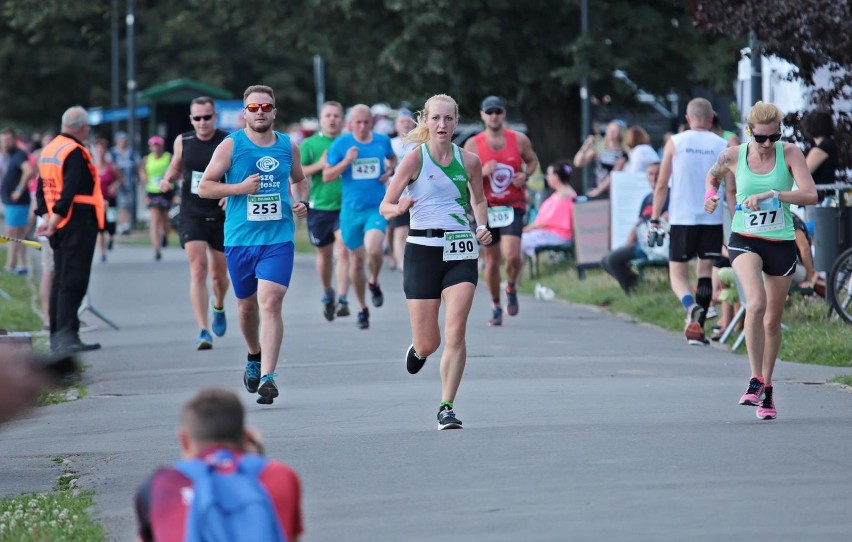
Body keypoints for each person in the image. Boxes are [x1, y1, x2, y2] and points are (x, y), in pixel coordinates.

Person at [379, 93, 492, 429]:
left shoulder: (469, 161)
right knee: (431, 341)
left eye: (448, 119)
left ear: (456, 122)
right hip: (422, 252)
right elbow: (386, 204)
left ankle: (446, 406)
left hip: (460, 251)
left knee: (456, 329)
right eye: (436, 118)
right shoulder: (415, 159)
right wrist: (397, 208)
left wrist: (482, 227)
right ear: (425, 122)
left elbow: (480, 200)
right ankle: (419, 349)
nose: (442, 125)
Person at [704, 101, 817, 419]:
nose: (768, 144)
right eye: (762, 138)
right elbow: (712, 178)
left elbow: (811, 195)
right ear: (749, 132)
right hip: (744, 239)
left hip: (780, 242)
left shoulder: (790, 152)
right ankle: (754, 379)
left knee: (771, 321)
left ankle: (768, 388)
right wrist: (709, 198)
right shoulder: (733, 155)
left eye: (774, 137)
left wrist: (775, 194)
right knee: (755, 304)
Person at [198, 84, 308, 405]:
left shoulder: (288, 146)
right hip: (240, 240)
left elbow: (299, 180)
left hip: (278, 240)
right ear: (245, 113)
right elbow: (205, 187)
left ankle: (269, 377)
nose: (260, 113)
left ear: (274, 111)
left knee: (270, 302)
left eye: (266, 107)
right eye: (254, 108)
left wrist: (302, 203)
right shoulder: (231, 146)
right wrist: (240, 188)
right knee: (246, 309)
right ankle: (253, 354)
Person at [134, 388, 303, 541]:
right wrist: (260, 457)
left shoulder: (157, 486)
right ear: (247, 437)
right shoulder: (280, 475)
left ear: (184, 440)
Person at [650, 97, 731, 345]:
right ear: (711, 118)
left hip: (682, 217)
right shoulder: (723, 144)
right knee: (705, 272)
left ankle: (690, 307)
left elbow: (662, 183)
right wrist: (736, 218)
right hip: (712, 216)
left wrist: (654, 218)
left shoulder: (675, 142)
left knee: (677, 275)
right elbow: (730, 189)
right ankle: (699, 327)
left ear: (687, 118)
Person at [160, 96, 231, 350]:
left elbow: (239, 170)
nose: (202, 122)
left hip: (221, 214)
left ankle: (219, 305)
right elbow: (175, 165)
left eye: (207, 117)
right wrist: (167, 179)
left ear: (215, 117)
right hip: (192, 213)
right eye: (197, 118)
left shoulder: (227, 140)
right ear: (191, 119)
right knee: (198, 269)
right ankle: (203, 330)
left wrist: (228, 193)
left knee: (219, 276)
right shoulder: (183, 141)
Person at [463, 96, 538, 326]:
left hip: (512, 205)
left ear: (504, 114)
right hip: (486, 208)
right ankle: (496, 304)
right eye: (489, 112)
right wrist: (482, 172)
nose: (494, 115)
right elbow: (464, 177)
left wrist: (525, 175)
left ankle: (512, 286)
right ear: (482, 115)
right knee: (492, 261)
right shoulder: (473, 144)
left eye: (498, 111)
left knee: (513, 255)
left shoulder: (519, 139)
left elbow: (532, 161)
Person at [35, 106, 105, 353]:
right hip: (77, 222)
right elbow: (70, 189)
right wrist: (55, 220)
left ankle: (59, 334)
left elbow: (41, 188)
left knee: (60, 279)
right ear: (82, 127)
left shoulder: (51, 149)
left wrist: (46, 217)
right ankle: (67, 337)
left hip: (58, 223)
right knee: (73, 280)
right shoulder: (74, 151)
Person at [324, 104, 396, 330]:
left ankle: (373, 280)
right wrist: (346, 161)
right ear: (350, 124)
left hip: (375, 207)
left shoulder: (382, 141)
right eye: (359, 123)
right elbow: (327, 175)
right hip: (350, 211)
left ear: (372, 123)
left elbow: (392, 160)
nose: (363, 127)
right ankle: (362, 308)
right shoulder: (342, 144)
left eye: (367, 122)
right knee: (355, 260)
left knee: (374, 248)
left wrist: (389, 171)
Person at [298, 100, 351, 321]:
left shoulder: (350, 143)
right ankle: (328, 293)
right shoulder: (310, 144)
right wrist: (320, 165)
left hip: (346, 206)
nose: (332, 119)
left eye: (336, 115)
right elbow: (298, 172)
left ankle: (343, 298)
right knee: (325, 255)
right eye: (328, 115)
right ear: (321, 119)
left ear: (342, 120)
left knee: (344, 249)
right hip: (320, 207)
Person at [601, 161, 668, 294]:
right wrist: (626, 245)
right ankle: (639, 285)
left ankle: (634, 292)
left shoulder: (670, 195)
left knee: (613, 259)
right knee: (606, 260)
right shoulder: (647, 198)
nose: (654, 177)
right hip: (643, 243)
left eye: (658, 173)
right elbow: (638, 225)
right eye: (651, 174)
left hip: (660, 245)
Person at [520, 160, 576, 258]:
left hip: (557, 235)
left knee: (517, 241)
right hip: (553, 233)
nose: (547, 177)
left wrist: (528, 228)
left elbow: (545, 221)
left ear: (556, 177)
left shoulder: (563, 196)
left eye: (549, 174)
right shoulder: (562, 194)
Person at [386, 108, 418, 272]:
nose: (405, 125)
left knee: (410, 229)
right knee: (397, 229)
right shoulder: (391, 144)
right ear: (396, 125)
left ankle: (407, 259)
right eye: (402, 122)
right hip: (396, 192)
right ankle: (399, 262)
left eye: (408, 122)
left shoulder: (419, 144)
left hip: (415, 193)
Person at [1, 128, 35, 274]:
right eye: (3, 140)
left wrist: (19, 190)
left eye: (8, 140)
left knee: (11, 233)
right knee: (19, 234)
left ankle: (10, 265)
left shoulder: (19, 154)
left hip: (18, 202)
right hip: (12, 202)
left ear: (15, 140)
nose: (5, 143)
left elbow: (29, 171)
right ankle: (22, 265)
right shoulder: (8, 155)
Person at [572, 120, 627, 199]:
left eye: (614, 131)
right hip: (598, 185)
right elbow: (578, 162)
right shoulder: (600, 147)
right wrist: (586, 145)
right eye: (610, 129)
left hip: (612, 190)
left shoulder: (623, 152)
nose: (611, 133)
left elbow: (614, 174)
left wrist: (598, 191)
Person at [139, 135, 173, 260]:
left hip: (165, 191)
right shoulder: (147, 159)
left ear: (162, 146)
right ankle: (156, 249)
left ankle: (164, 234)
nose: (156, 148)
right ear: (150, 147)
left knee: (164, 219)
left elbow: (175, 169)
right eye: (153, 146)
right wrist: (143, 176)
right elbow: (142, 170)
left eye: (158, 145)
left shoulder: (167, 157)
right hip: (152, 191)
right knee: (154, 220)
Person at [92, 137, 124, 263]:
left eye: (102, 149)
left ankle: (111, 238)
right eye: (97, 149)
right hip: (97, 201)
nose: (100, 151)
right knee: (99, 227)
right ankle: (102, 252)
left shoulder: (112, 167)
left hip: (110, 200)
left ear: (106, 151)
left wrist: (114, 186)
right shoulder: (92, 167)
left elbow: (121, 180)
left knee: (110, 224)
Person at [802, 110, 838, 206]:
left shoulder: (822, 148)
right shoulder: (830, 144)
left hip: (821, 201)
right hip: (826, 197)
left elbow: (802, 172)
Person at [110, 131, 137, 235]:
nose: (124, 142)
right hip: (115, 184)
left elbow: (137, 165)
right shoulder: (112, 153)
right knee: (119, 205)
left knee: (127, 204)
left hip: (129, 182)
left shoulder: (131, 152)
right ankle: (116, 225)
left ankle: (125, 225)